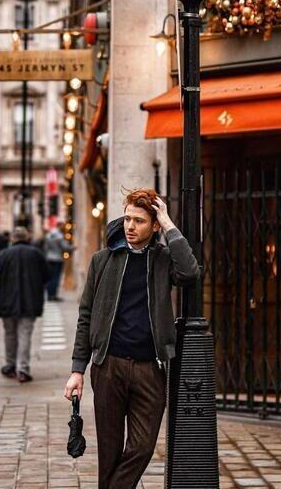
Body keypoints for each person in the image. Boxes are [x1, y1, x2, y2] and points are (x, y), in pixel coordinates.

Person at [64, 188, 199, 489]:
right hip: (108, 367)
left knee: (141, 448)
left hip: (149, 369)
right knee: (109, 455)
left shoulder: (163, 260)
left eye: (139, 220)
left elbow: (190, 273)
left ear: (153, 225)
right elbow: (85, 316)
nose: (130, 226)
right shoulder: (103, 260)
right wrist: (77, 370)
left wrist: (169, 224)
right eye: (127, 219)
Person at [0, 226, 49, 383]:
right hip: (30, 302)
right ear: (27, 238)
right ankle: (23, 369)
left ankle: (10, 365)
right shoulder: (36, 253)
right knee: (25, 334)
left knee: (9, 334)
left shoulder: (3, 254)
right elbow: (47, 275)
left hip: (7, 303)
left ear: (12, 238)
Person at [43, 222, 73, 301]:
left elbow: (45, 247)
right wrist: (72, 248)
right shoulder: (60, 236)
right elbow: (65, 247)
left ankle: (49, 294)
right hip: (57, 258)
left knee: (50, 277)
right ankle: (53, 295)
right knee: (56, 277)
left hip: (49, 257)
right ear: (60, 226)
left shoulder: (49, 235)